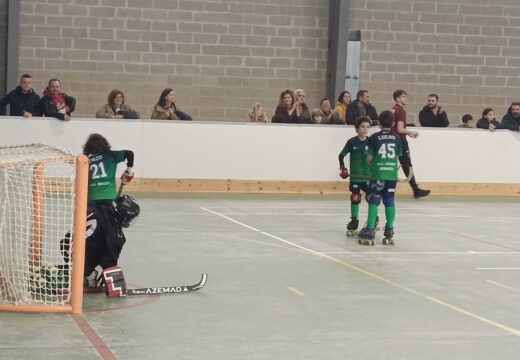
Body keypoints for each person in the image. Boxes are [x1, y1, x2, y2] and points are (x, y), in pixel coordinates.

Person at [81, 133, 137, 296]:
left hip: (90, 204)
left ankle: (91, 272)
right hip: (108, 203)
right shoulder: (111, 155)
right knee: (111, 237)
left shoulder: (86, 159)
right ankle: (106, 271)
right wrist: (129, 171)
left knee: (91, 236)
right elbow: (130, 153)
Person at [357, 110, 403, 246]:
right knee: (389, 200)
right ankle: (389, 229)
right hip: (391, 175)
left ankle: (370, 229)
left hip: (378, 174)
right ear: (393, 123)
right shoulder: (397, 138)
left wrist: (374, 166)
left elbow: (370, 158)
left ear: (379, 122)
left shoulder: (374, 137)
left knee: (374, 200)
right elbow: (397, 156)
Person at [391, 89, 430, 199]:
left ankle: (414, 189)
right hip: (400, 141)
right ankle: (416, 189)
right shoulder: (401, 111)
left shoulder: (393, 110)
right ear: (397, 98)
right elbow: (400, 129)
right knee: (407, 165)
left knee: (393, 164)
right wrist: (411, 132)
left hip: (392, 140)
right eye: (403, 96)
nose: (405, 98)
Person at [338, 116, 371, 237]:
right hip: (356, 177)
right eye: (362, 127)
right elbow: (341, 155)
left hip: (368, 177)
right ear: (357, 129)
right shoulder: (352, 142)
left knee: (371, 198)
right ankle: (354, 221)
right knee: (355, 198)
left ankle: (373, 219)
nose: (365, 129)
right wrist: (343, 168)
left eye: (367, 127)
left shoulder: (371, 142)